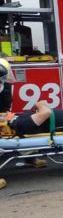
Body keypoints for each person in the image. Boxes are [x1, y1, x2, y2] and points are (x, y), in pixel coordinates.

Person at [0, 59, 14, 190]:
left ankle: (29, 159)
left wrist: (7, 117)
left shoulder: (6, 86)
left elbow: (6, 106)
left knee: (17, 131)